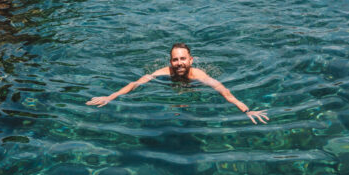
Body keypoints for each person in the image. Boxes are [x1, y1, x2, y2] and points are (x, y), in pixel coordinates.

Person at [86, 43, 269, 124]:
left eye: (183, 59)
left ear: (191, 60)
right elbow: (136, 83)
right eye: (175, 59)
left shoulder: (199, 75)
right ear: (170, 62)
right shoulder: (163, 72)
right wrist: (111, 96)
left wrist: (246, 110)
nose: (179, 62)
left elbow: (224, 91)